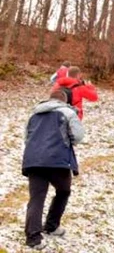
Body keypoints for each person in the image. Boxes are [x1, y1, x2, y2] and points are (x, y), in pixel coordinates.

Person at [22, 90, 85, 250]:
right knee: (63, 191)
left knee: (36, 198)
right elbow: (78, 137)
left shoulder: (33, 114)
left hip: (34, 160)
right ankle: (51, 225)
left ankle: (33, 238)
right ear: (64, 100)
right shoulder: (67, 113)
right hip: (58, 160)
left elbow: (27, 138)